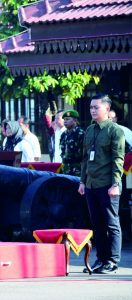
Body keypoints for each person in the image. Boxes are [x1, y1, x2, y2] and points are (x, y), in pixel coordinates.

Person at [78, 94, 125, 274]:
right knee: (97, 224)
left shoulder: (115, 131)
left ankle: (112, 261)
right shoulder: (90, 130)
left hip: (108, 185)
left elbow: (118, 159)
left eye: (96, 107)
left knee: (111, 223)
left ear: (107, 109)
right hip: (91, 184)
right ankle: (101, 259)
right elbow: (85, 159)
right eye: (91, 107)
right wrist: (82, 181)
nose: (92, 110)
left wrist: (115, 184)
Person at [60, 110, 85, 176]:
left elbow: (84, 154)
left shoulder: (80, 134)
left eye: (68, 119)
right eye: (64, 119)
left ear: (75, 120)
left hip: (77, 170)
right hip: (65, 170)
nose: (65, 121)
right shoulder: (63, 135)